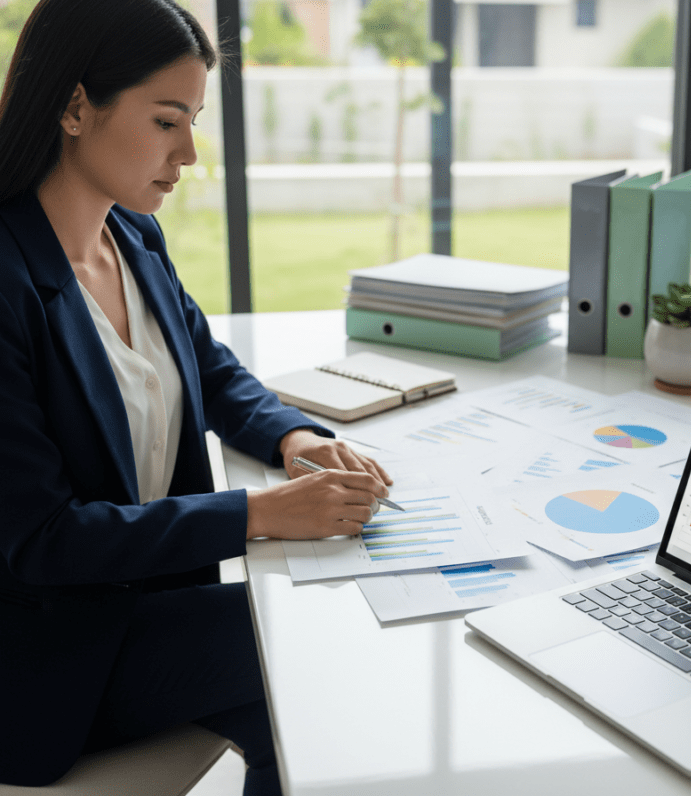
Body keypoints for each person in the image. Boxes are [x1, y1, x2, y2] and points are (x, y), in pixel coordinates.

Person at [0, 1, 392, 792]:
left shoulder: (132, 234)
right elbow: (42, 539)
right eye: (167, 121)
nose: (189, 153)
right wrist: (258, 516)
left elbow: (206, 368)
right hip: (50, 657)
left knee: (305, 715)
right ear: (76, 107)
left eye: (194, 121)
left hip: (146, 613)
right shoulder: (6, 284)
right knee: (311, 646)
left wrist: (293, 439)